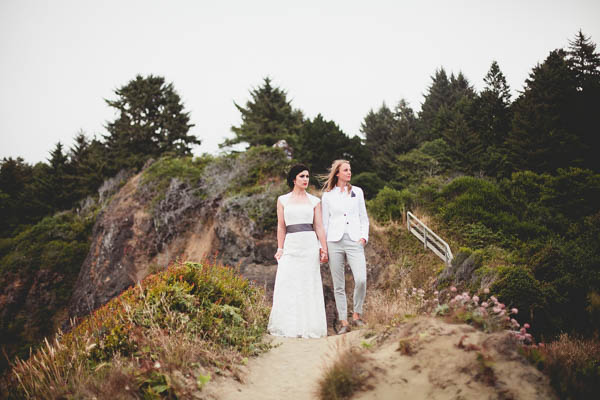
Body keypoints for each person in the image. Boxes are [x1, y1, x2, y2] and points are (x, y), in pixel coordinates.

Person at [267, 164, 329, 338]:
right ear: (294, 179)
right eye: (302, 176)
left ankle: (309, 327)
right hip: (291, 245)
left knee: (308, 284)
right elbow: (281, 226)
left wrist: (323, 248)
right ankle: (288, 326)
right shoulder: (282, 200)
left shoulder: (315, 201)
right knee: (287, 282)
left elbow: (319, 226)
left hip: (309, 244)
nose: (305, 180)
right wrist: (280, 248)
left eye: (307, 176)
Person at [321, 160, 369, 334]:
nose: (349, 173)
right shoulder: (327, 196)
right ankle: (344, 322)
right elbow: (324, 223)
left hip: (355, 240)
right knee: (338, 285)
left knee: (361, 279)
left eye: (350, 169)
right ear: (338, 173)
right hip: (334, 241)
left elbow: (364, 217)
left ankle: (357, 315)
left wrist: (364, 237)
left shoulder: (357, 192)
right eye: (346, 170)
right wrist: (323, 247)